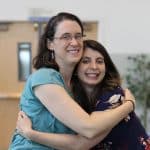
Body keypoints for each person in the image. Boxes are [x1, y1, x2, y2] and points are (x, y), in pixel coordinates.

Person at [9, 12, 135, 150]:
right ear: (50, 44)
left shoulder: (77, 86)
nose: (74, 42)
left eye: (78, 36)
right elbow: (89, 128)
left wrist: (31, 133)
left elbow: (82, 143)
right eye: (66, 37)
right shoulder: (44, 77)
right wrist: (128, 105)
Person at [15, 40, 150, 150]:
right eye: (85, 61)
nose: (94, 67)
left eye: (99, 61)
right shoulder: (74, 97)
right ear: (76, 68)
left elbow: (81, 143)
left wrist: (31, 134)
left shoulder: (114, 97)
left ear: (106, 66)